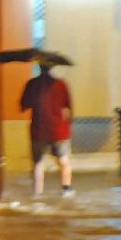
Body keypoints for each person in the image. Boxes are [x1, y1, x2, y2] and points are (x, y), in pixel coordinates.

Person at [19, 63, 73, 197]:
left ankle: (38, 193)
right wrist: (68, 125)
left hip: (39, 129)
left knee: (38, 163)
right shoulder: (61, 84)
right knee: (64, 160)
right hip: (59, 130)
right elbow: (67, 108)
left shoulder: (32, 84)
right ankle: (66, 189)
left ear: (39, 67)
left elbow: (23, 105)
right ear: (51, 68)